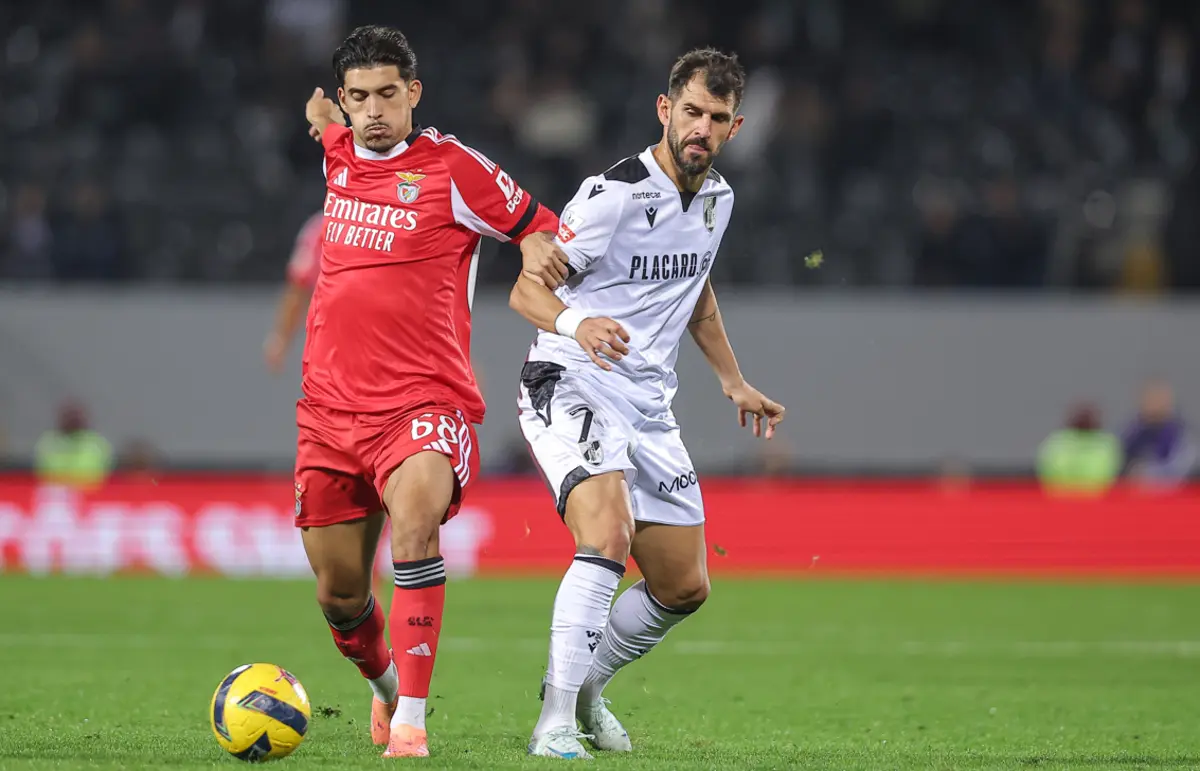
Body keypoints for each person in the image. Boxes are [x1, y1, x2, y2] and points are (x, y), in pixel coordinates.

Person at [298, 25, 569, 759]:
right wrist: (324, 119)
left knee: (416, 529)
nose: (374, 111)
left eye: (388, 94)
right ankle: (386, 686)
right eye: (359, 98)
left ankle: (412, 720)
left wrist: (540, 243)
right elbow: (327, 131)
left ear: (413, 92)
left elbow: (538, 223)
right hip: (327, 411)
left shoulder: (454, 168)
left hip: (423, 403)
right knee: (339, 595)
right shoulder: (341, 152)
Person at [508, 48, 786, 759]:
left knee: (685, 584)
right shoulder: (612, 195)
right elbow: (526, 292)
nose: (702, 127)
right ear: (665, 110)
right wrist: (577, 321)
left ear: (734, 127)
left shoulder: (719, 200)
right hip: (569, 380)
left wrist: (732, 378)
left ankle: (579, 690)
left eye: (717, 118)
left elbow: (696, 293)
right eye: (690, 111)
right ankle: (554, 725)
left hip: (646, 405)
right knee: (606, 535)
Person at [263, 211, 323, 373]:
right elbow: (299, 288)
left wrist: (281, 339)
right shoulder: (322, 228)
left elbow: (298, 290)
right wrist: (281, 338)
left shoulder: (323, 225)